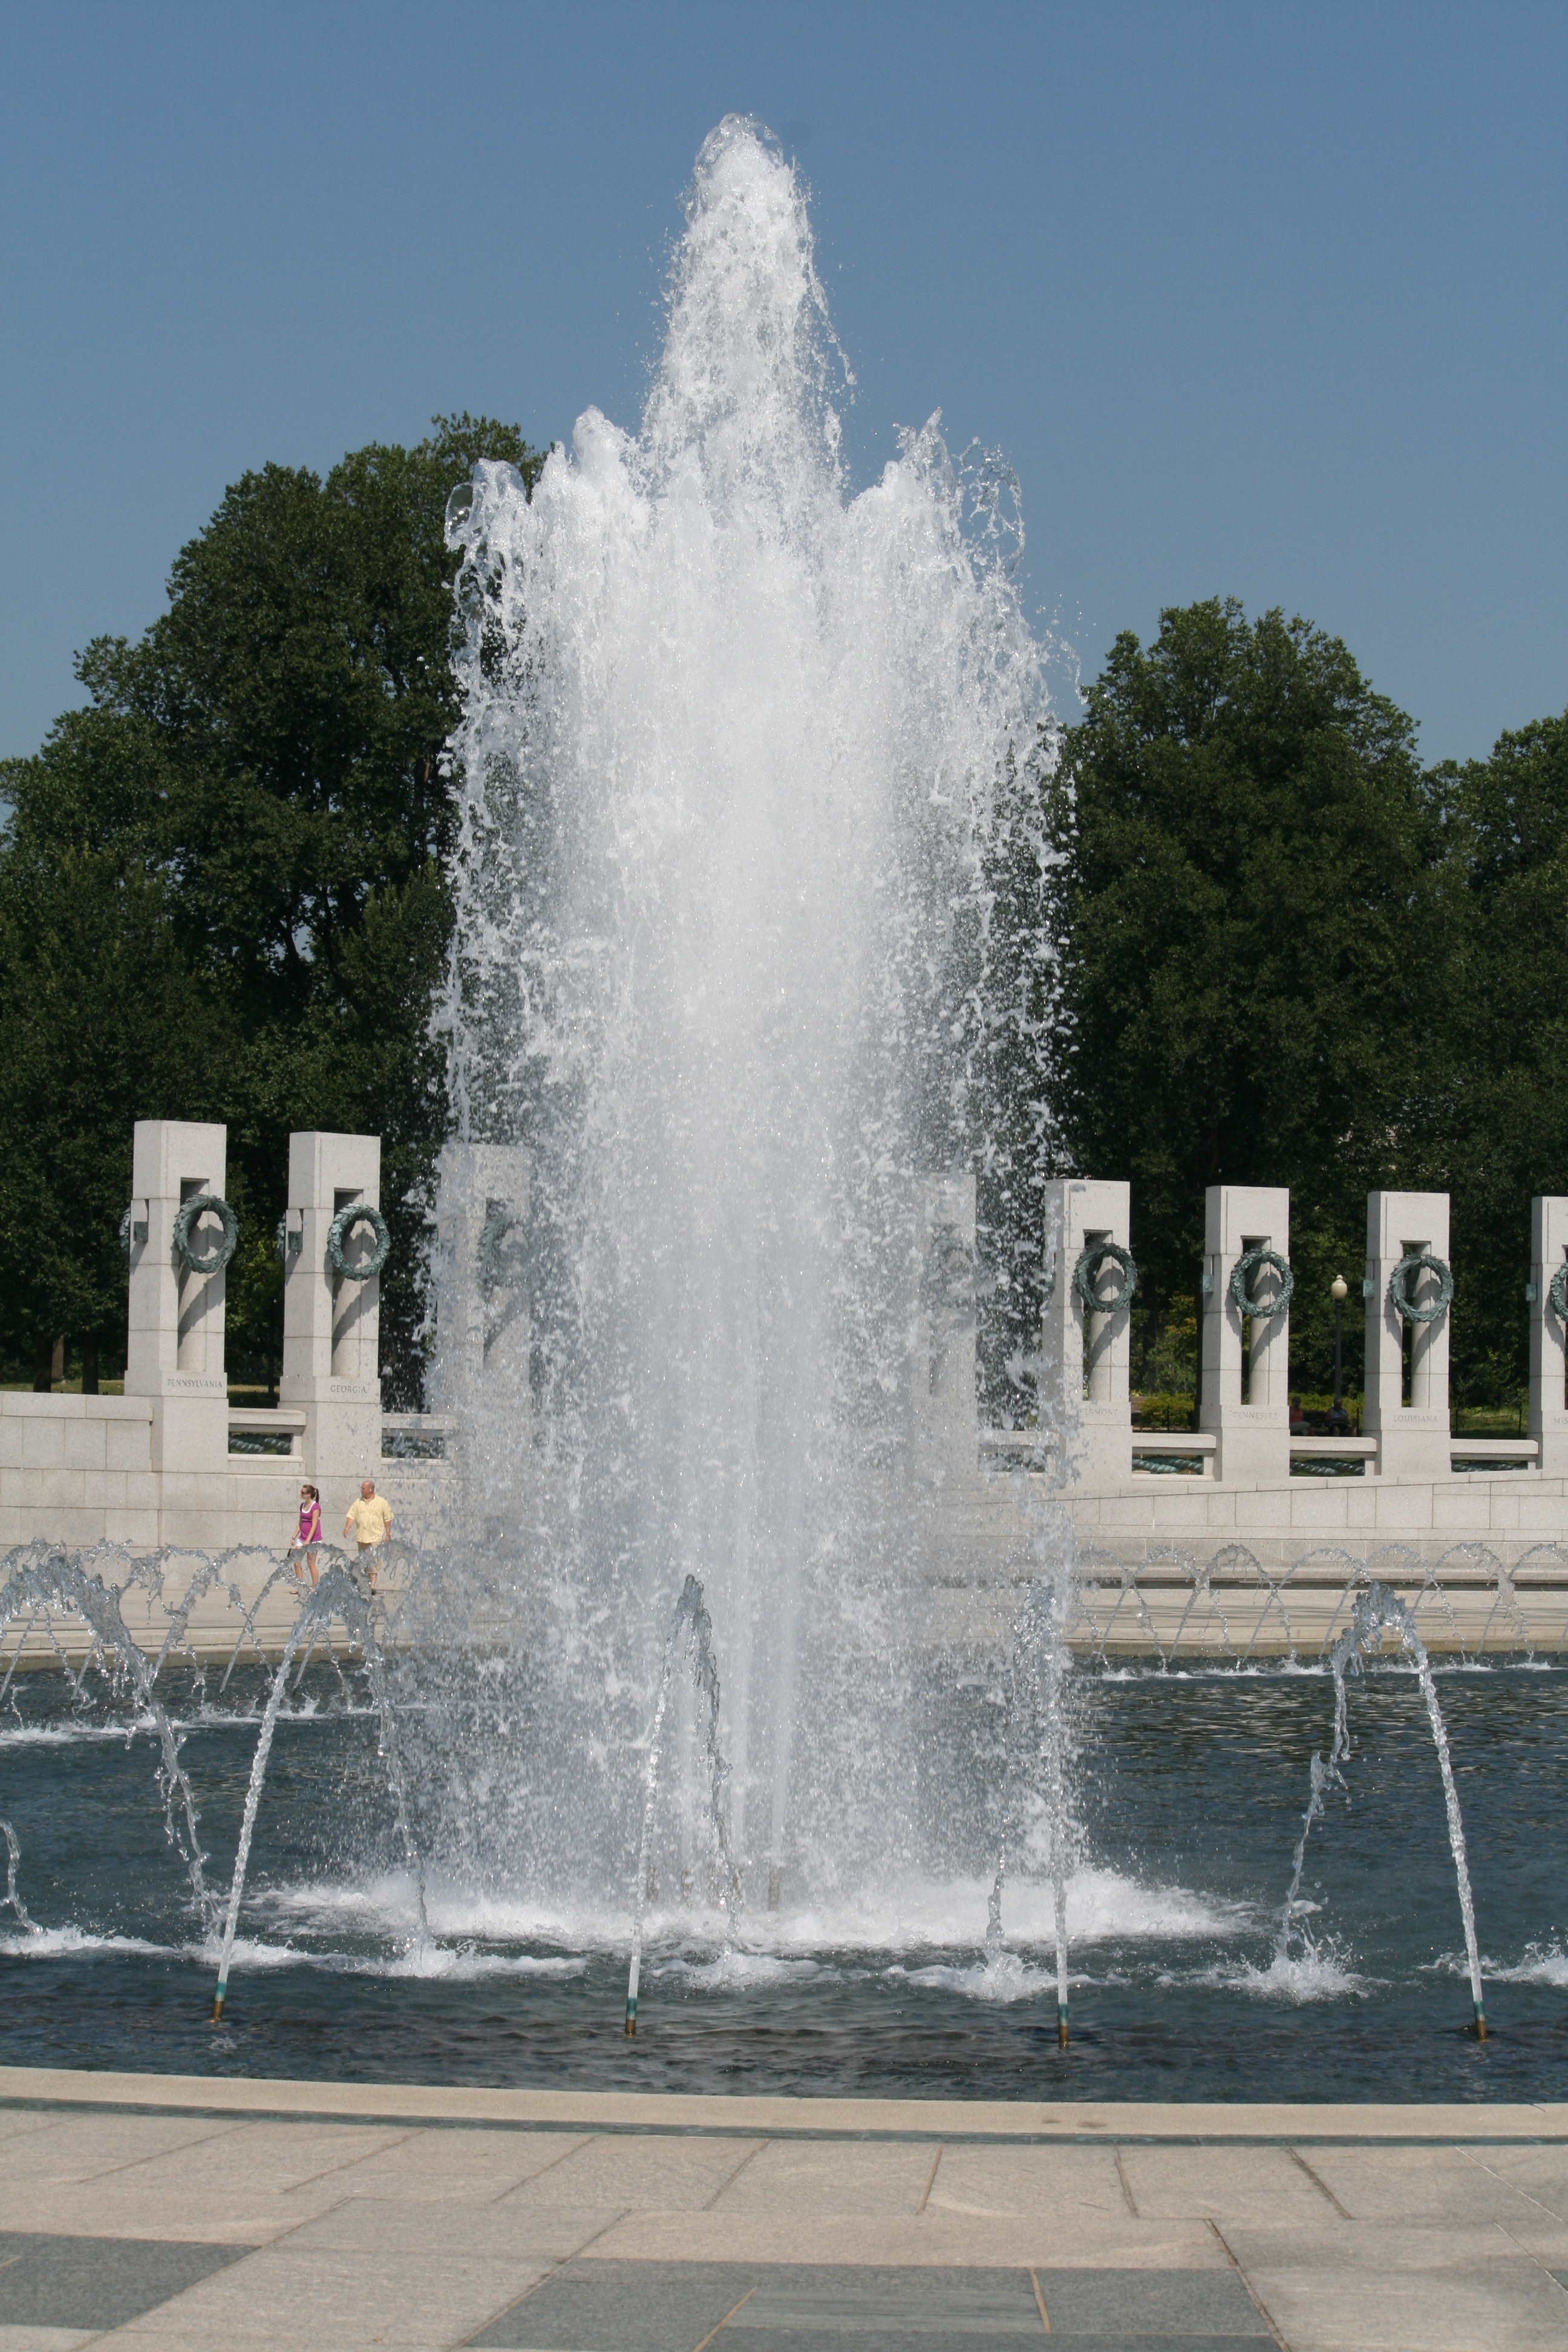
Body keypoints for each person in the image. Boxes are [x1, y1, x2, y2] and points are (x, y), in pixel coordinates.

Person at [343, 1477, 394, 1590]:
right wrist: (347, 1528)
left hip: (375, 1537)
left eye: (363, 1488)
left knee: (374, 1562)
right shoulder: (358, 1502)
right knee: (365, 1562)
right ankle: (369, 1583)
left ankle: (373, 1586)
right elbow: (351, 1516)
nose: (361, 1490)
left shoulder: (382, 1502)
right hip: (362, 1538)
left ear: (370, 1490)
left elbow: (388, 1519)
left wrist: (387, 1534)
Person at [291, 1484, 322, 1584]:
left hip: (314, 1540)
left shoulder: (315, 1507)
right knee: (297, 1562)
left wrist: (308, 1540)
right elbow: (300, 1523)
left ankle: (315, 1586)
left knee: (311, 1563)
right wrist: (294, 1537)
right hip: (302, 1538)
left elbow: (314, 1525)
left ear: (309, 1494)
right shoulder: (302, 1506)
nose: (301, 1494)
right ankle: (300, 1586)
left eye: (303, 1492)